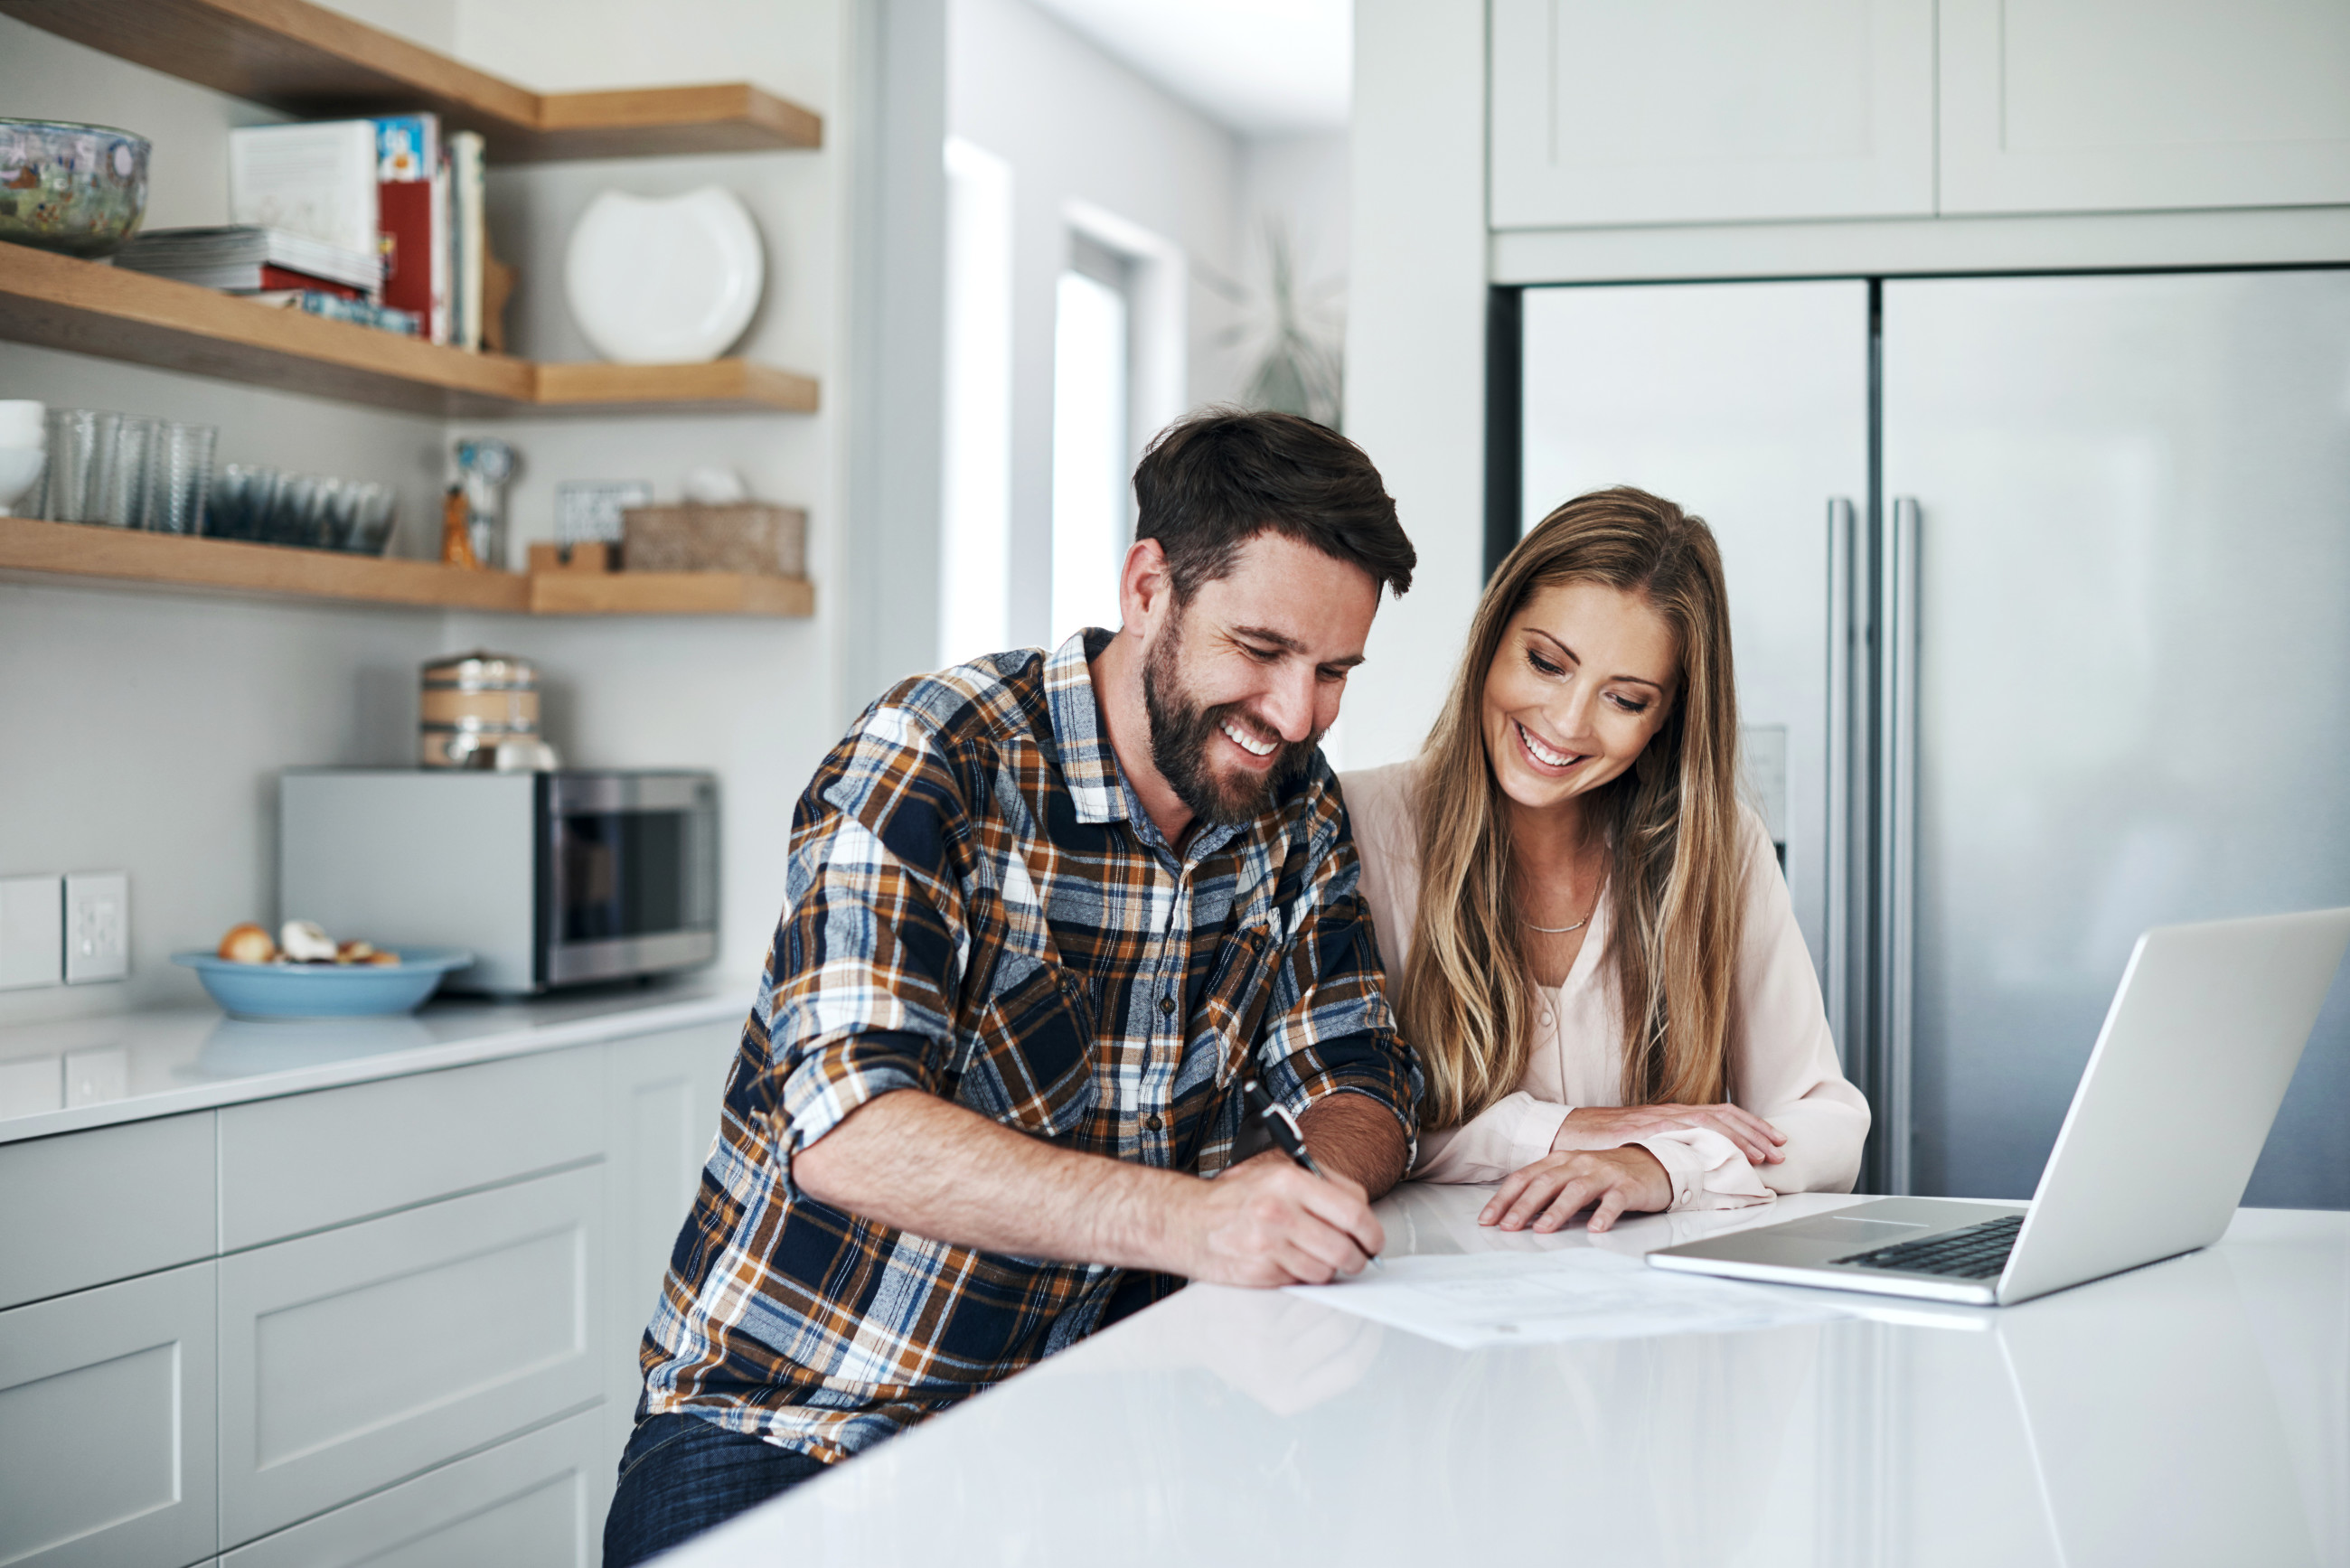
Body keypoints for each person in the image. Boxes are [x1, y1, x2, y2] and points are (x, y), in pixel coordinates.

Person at [603, 409, 1423, 1566]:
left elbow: (1358, 1071)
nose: (1297, 714)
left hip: (1098, 1421)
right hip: (803, 1421)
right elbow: (847, 1130)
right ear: (1149, 586)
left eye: (1334, 671)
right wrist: (1193, 1219)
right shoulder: (932, 755)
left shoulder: (1292, 800)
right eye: (1262, 649)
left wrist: (1302, 1194)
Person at [1341, 486, 1866, 1236]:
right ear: (1493, 635)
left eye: (1624, 699)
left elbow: (1826, 1121)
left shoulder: (1718, 847)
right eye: (1547, 662)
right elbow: (1324, 1129)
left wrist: (1661, 1166)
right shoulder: (1355, 827)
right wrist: (1568, 1128)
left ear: (1665, 719)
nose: (1566, 721)